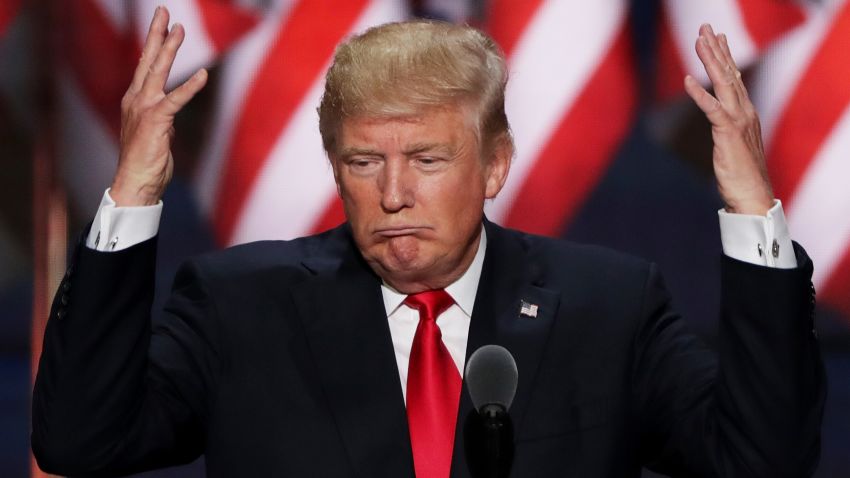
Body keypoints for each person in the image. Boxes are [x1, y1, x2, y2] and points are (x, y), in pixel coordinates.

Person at [32, 7, 824, 478]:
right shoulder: (239, 307)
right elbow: (80, 443)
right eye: (364, 161)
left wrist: (753, 209)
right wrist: (132, 195)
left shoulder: (608, 307)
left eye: (427, 159)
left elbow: (763, 460)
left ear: (495, 165)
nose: (394, 193)